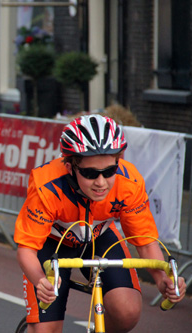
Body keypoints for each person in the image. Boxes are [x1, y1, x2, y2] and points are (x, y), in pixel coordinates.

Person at [14, 114, 186, 333]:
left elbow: (144, 241)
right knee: (46, 330)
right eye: (90, 173)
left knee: (127, 312)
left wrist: (162, 279)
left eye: (109, 171)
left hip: (99, 237)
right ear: (69, 166)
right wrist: (40, 281)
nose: (101, 182)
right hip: (52, 244)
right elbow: (26, 249)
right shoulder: (46, 186)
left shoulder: (129, 182)